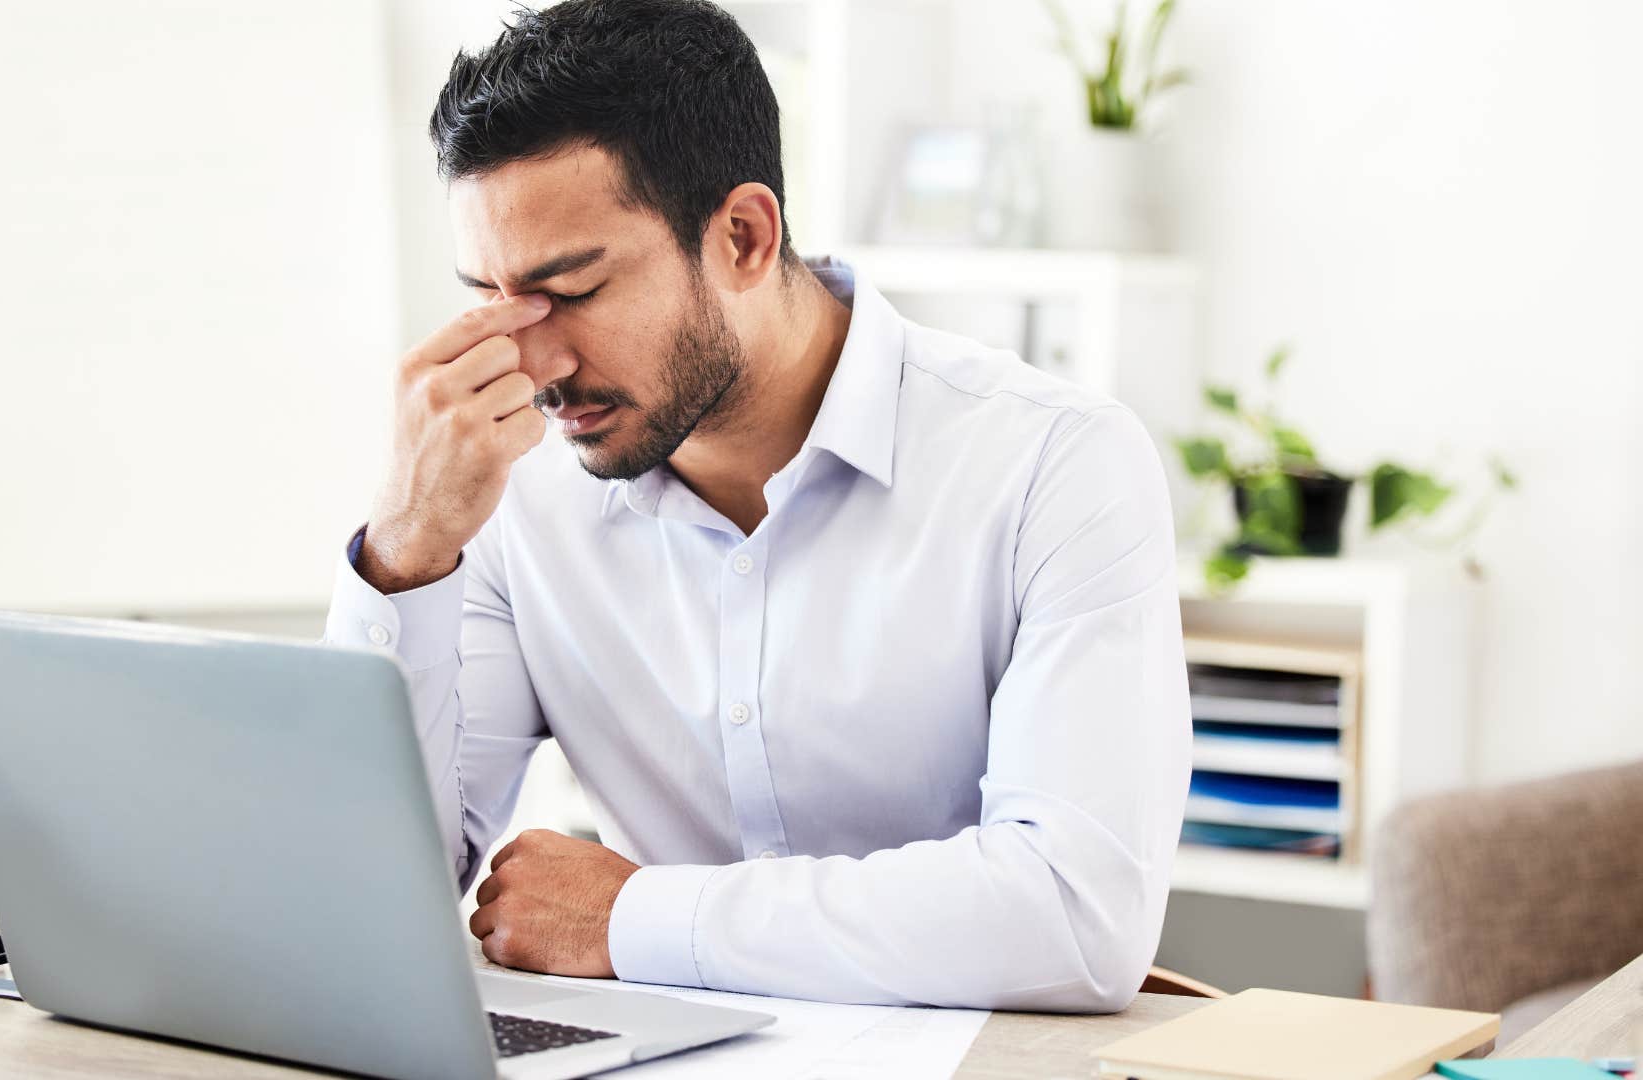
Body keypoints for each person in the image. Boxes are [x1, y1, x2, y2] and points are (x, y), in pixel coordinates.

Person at [326, 0, 1189, 1012]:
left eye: (573, 291)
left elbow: (1074, 918)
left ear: (742, 234)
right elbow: (357, 901)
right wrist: (407, 549)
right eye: (496, 300)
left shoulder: (1053, 461)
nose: (537, 363)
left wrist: (636, 919)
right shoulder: (518, 498)